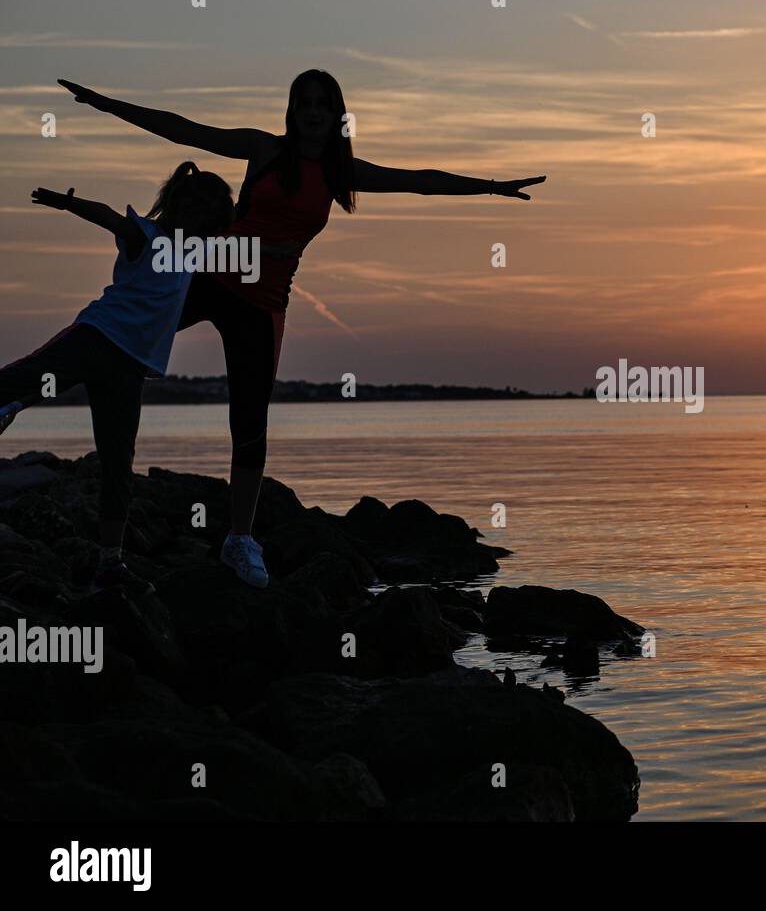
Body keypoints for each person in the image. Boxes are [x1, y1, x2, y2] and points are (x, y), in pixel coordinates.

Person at [57, 71, 546, 588]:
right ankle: (27, 389)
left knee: (250, 422)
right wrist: (106, 104)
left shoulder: (339, 174)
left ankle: (239, 541)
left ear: (337, 114)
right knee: (118, 330)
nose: (313, 111)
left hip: (264, 306)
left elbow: (420, 179)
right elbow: (185, 130)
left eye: (323, 103)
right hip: (209, 277)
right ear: (292, 110)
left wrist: (491, 187)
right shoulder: (263, 150)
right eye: (304, 102)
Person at [0, 163, 235, 594]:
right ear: (185, 207)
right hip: (97, 337)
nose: (208, 232)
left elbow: (241, 248)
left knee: (117, 462)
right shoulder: (145, 235)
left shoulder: (188, 253)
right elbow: (110, 216)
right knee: (22, 378)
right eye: (207, 221)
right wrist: (69, 204)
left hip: (129, 368)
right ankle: (9, 405)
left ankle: (111, 561)